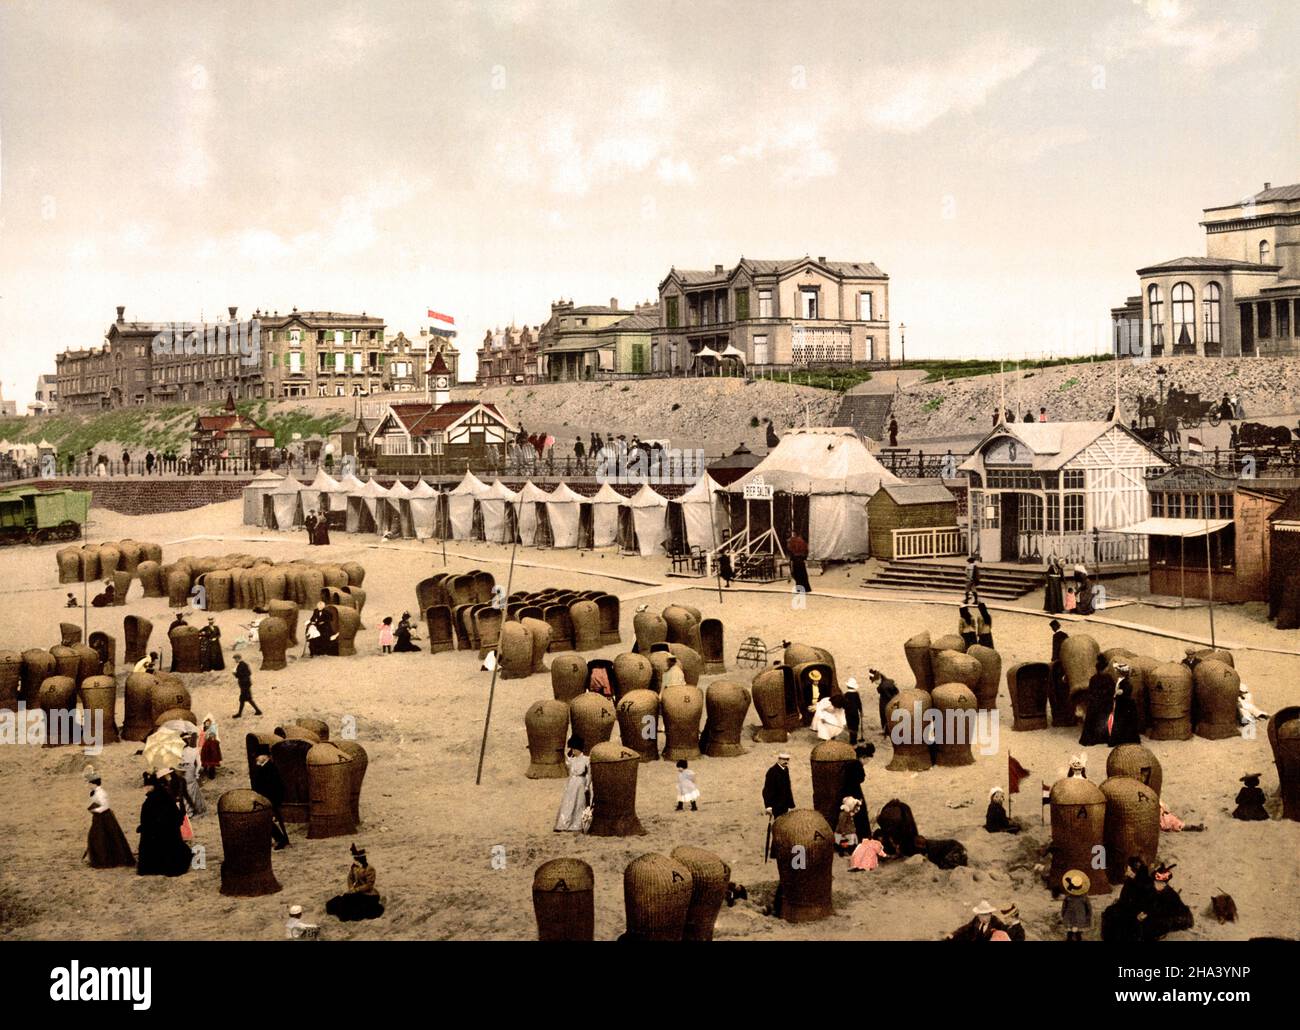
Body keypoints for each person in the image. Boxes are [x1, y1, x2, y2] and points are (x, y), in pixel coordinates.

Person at [136, 772, 191, 877]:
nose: (146, 788)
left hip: (163, 831)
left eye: (148, 786)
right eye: (145, 786)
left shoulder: (159, 798)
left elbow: (169, 814)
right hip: (160, 830)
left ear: (153, 785)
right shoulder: (157, 797)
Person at [84, 767, 135, 868]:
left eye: (89, 783)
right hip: (99, 817)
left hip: (104, 817)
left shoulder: (101, 793)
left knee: (102, 838)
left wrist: (95, 810)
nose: (88, 785)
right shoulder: (96, 792)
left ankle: (105, 860)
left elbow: (105, 806)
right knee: (98, 837)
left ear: (94, 784)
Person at [325, 844, 385, 921]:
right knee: (343, 900)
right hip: (356, 892)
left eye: (357, 858)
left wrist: (356, 890)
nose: (355, 859)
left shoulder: (370, 869)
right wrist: (351, 888)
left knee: (357, 909)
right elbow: (350, 878)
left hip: (369, 895)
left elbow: (369, 885)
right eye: (355, 858)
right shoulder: (355, 867)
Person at [1101, 857, 1154, 942]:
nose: (1126, 873)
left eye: (1129, 870)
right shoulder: (1129, 881)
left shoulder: (1146, 884)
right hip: (1127, 908)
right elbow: (1124, 898)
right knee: (1109, 912)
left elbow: (1150, 902)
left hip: (1140, 912)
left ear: (1135, 871)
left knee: (1126, 920)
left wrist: (1144, 913)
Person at [1141, 863, 1193, 941]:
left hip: (1169, 919)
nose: (1158, 885)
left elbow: (1181, 915)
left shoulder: (1171, 895)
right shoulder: (1151, 889)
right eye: (1156, 882)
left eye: (1162, 883)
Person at [251, 752, 289, 849]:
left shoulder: (269, 768)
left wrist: (267, 800)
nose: (257, 758)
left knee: (266, 819)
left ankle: (281, 839)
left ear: (265, 756)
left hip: (271, 799)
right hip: (266, 798)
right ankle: (279, 839)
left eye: (259, 756)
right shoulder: (264, 767)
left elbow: (272, 786)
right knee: (264, 819)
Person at [554, 737, 591, 832]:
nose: (573, 751)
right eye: (572, 749)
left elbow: (589, 774)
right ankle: (563, 824)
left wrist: (587, 785)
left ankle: (577, 825)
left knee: (579, 803)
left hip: (580, 783)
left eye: (574, 749)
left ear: (579, 749)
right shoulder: (572, 760)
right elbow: (567, 761)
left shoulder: (586, 759)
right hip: (572, 783)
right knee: (568, 803)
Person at [1079, 655, 1115, 746]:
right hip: (1105, 704)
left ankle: (1095, 738)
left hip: (1095, 704)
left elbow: (1091, 691)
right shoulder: (1108, 678)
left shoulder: (1093, 678)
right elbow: (1112, 690)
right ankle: (1104, 737)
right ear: (1104, 668)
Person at [1107, 666, 1142, 746]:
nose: (1116, 673)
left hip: (1124, 704)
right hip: (1122, 703)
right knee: (1122, 722)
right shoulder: (1121, 681)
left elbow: (1123, 691)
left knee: (1122, 722)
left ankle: (1122, 740)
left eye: (1117, 672)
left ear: (1120, 673)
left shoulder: (1125, 682)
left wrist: (1117, 693)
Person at [946, 900, 1014, 941]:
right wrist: (953, 934)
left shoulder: (996, 922)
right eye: (980, 915)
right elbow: (966, 927)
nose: (982, 918)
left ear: (990, 914)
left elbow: (1006, 933)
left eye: (985, 915)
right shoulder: (976, 919)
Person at [1061, 870, 1093, 941]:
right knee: (1078, 934)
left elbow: (1064, 908)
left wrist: (1063, 915)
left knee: (1069, 934)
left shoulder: (1068, 898)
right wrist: (1088, 917)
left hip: (1069, 918)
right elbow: (1089, 908)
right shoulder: (1084, 898)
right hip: (1080, 919)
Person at [179, 733, 207, 817]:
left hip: (186, 769)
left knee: (188, 788)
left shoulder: (188, 750)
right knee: (190, 788)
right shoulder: (191, 750)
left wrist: (196, 772)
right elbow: (199, 764)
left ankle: (189, 810)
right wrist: (196, 772)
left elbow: (199, 763)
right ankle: (194, 809)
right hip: (186, 769)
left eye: (186, 739)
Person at [762, 752, 795, 818]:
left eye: (787, 759)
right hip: (776, 805)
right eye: (783, 759)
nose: (786, 761)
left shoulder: (786, 769)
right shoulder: (772, 771)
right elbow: (767, 790)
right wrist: (768, 806)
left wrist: (790, 803)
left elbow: (788, 788)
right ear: (779, 759)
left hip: (785, 804)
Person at [841, 678, 863, 745]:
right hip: (855, 713)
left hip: (848, 714)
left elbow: (843, 705)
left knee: (850, 727)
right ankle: (855, 740)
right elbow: (859, 703)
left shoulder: (846, 695)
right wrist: (861, 711)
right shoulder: (856, 694)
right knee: (855, 726)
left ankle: (852, 740)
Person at [198, 715, 222, 780]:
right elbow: (201, 739)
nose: (207, 724)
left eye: (209, 723)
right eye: (206, 723)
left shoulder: (212, 730)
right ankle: (206, 770)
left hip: (211, 750)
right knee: (205, 760)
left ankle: (211, 774)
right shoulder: (203, 730)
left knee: (211, 763)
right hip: (206, 748)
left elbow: (214, 736)